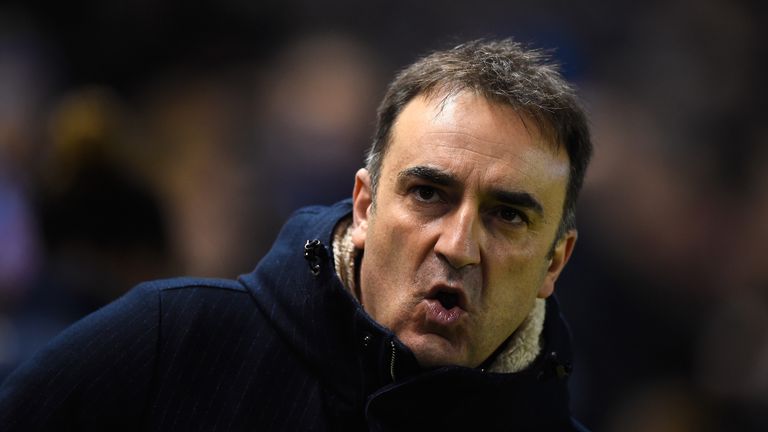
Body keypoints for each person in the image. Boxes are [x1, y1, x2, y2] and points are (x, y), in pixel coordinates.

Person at [0, 39, 592, 431]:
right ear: (364, 207)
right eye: (428, 194)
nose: (457, 246)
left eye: (507, 216)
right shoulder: (172, 343)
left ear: (553, 265)